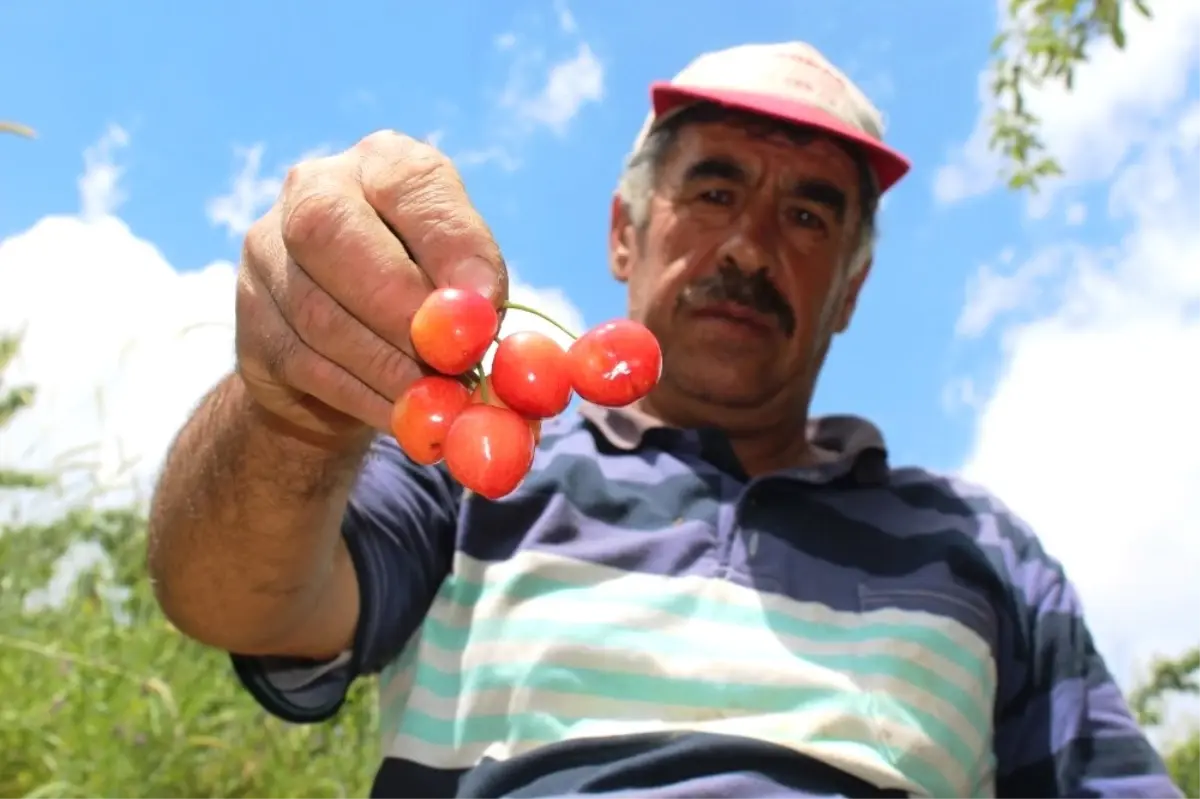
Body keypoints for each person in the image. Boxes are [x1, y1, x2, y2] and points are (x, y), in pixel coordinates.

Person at [146, 41, 1182, 799]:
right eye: (714, 190)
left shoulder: (981, 549)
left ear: (853, 290)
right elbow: (245, 601)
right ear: (622, 235)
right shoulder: (475, 463)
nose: (748, 246)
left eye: (810, 213)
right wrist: (292, 416)